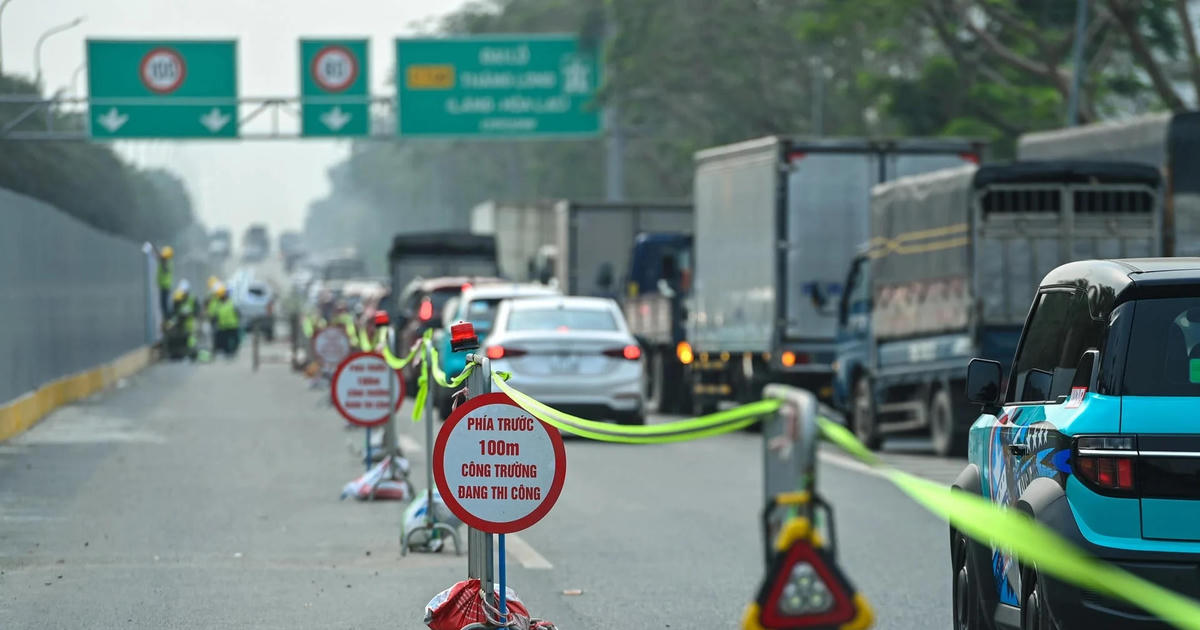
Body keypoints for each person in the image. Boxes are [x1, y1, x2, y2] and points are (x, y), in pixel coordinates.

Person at [171, 280, 198, 359]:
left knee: (191, 340)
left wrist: (190, 313)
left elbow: (197, 310)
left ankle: (192, 354)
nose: (184, 294)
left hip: (191, 324)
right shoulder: (178, 299)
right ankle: (181, 354)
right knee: (181, 339)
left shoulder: (192, 299)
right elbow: (175, 311)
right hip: (181, 324)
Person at [212, 284, 241, 357]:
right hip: (223, 326)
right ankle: (227, 352)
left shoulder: (231, 302)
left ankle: (233, 351)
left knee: (236, 340)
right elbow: (215, 315)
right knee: (224, 342)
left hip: (232, 325)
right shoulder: (218, 304)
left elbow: (237, 312)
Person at [156, 245, 174, 319]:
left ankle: (167, 318)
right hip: (164, 286)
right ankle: (166, 318)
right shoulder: (165, 262)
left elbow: (164, 268)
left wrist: (161, 258)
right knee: (163, 305)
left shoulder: (167, 263)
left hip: (165, 286)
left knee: (164, 305)